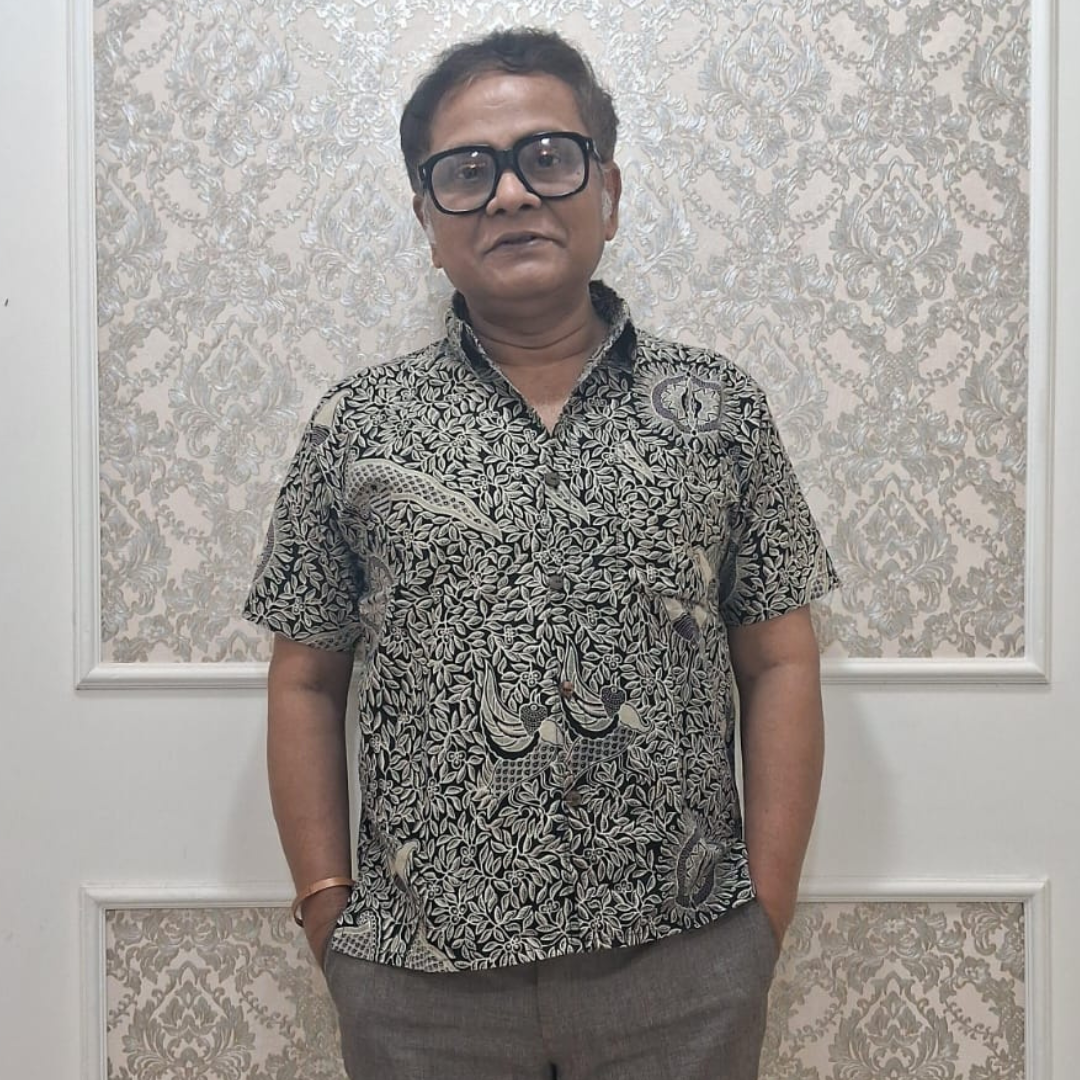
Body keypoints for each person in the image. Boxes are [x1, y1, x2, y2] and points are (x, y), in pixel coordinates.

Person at [244, 26, 838, 1080]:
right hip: (418, 979)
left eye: (548, 157)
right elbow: (304, 679)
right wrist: (328, 910)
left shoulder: (718, 411)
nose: (512, 193)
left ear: (607, 190)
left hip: (686, 959)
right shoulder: (357, 426)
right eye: (467, 171)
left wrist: (765, 914)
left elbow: (781, 657)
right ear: (426, 218)